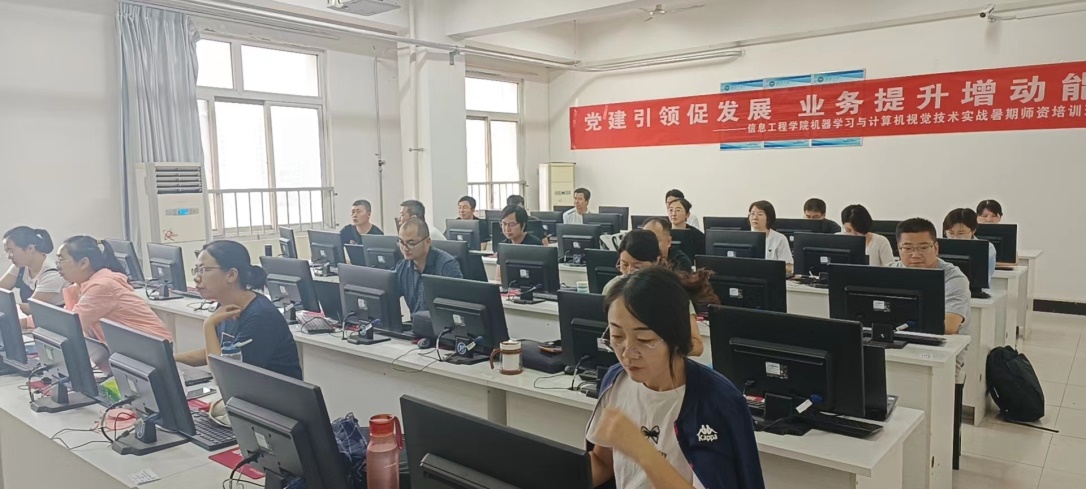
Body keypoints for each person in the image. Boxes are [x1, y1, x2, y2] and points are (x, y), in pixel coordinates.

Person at [587, 266, 763, 489]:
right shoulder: (617, 381)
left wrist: (642, 451)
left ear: (676, 338)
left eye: (644, 340)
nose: (628, 353)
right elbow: (603, 462)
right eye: (617, 336)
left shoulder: (716, 401)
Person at [890, 218, 970, 469]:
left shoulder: (954, 278)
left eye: (923, 247)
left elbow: (950, 325)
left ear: (936, 247)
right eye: (908, 248)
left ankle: (936, 459)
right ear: (898, 249)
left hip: (943, 355)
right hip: (899, 346)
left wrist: (897, 322)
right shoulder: (891, 271)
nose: (915, 255)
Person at [175, 240, 301, 380]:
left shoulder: (260, 317)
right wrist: (171, 359)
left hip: (271, 393)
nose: (196, 278)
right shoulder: (225, 306)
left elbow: (223, 376)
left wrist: (208, 325)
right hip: (247, 390)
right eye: (197, 270)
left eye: (204, 270)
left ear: (231, 275)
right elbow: (217, 351)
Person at [24, 236, 171, 344]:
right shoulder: (80, 285)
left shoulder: (101, 286)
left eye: (61, 260)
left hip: (152, 348)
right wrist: (25, 322)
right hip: (131, 348)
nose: (58, 265)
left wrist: (23, 323)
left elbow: (70, 325)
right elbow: (64, 317)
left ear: (83, 263)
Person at [603, 231, 704, 357]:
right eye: (624, 264)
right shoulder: (612, 288)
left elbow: (697, 346)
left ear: (656, 260)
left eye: (637, 266)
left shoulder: (671, 291)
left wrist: (659, 345)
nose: (629, 272)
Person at [395, 218, 463, 314]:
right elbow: (391, 295)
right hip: (416, 321)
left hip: (440, 322)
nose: (405, 249)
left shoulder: (446, 265)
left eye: (411, 243)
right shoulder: (402, 266)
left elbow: (458, 306)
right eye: (401, 242)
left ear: (427, 242)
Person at [1, 226, 65, 311]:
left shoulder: (52, 274)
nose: (9, 257)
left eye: (11, 251)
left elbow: (31, 308)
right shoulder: (20, 266)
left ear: (30, 248)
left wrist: (5, 305)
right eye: (7, 252)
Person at [943, 208, 997, 285]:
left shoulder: (987, 248)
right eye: (950, 233)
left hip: (975, 290)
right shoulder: (938, 246)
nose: (955, 238)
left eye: (961, 233)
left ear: (973, 230)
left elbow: (983, 279)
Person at [749, 200, 793, 274]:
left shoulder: (780, 239)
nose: (755, 217)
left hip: (772, 276)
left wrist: (769, 267)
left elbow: (789, 267)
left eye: (760, 214)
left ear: (768, 218)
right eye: (752, 214)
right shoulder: (744, 238)